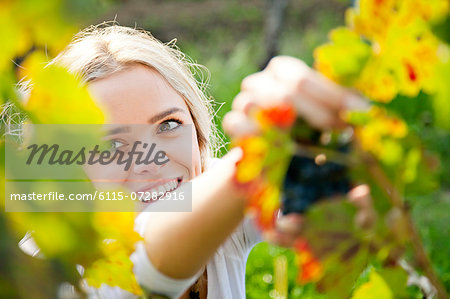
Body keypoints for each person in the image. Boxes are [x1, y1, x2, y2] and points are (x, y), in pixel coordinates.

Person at [18, 24, 372, 299]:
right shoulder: (48, 268)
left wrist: (336, 149)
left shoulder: (202, 188)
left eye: (168, 125)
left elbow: (307, 188)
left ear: (199, 134)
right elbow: (149, 259)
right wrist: (258, 155)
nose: (151, 160)